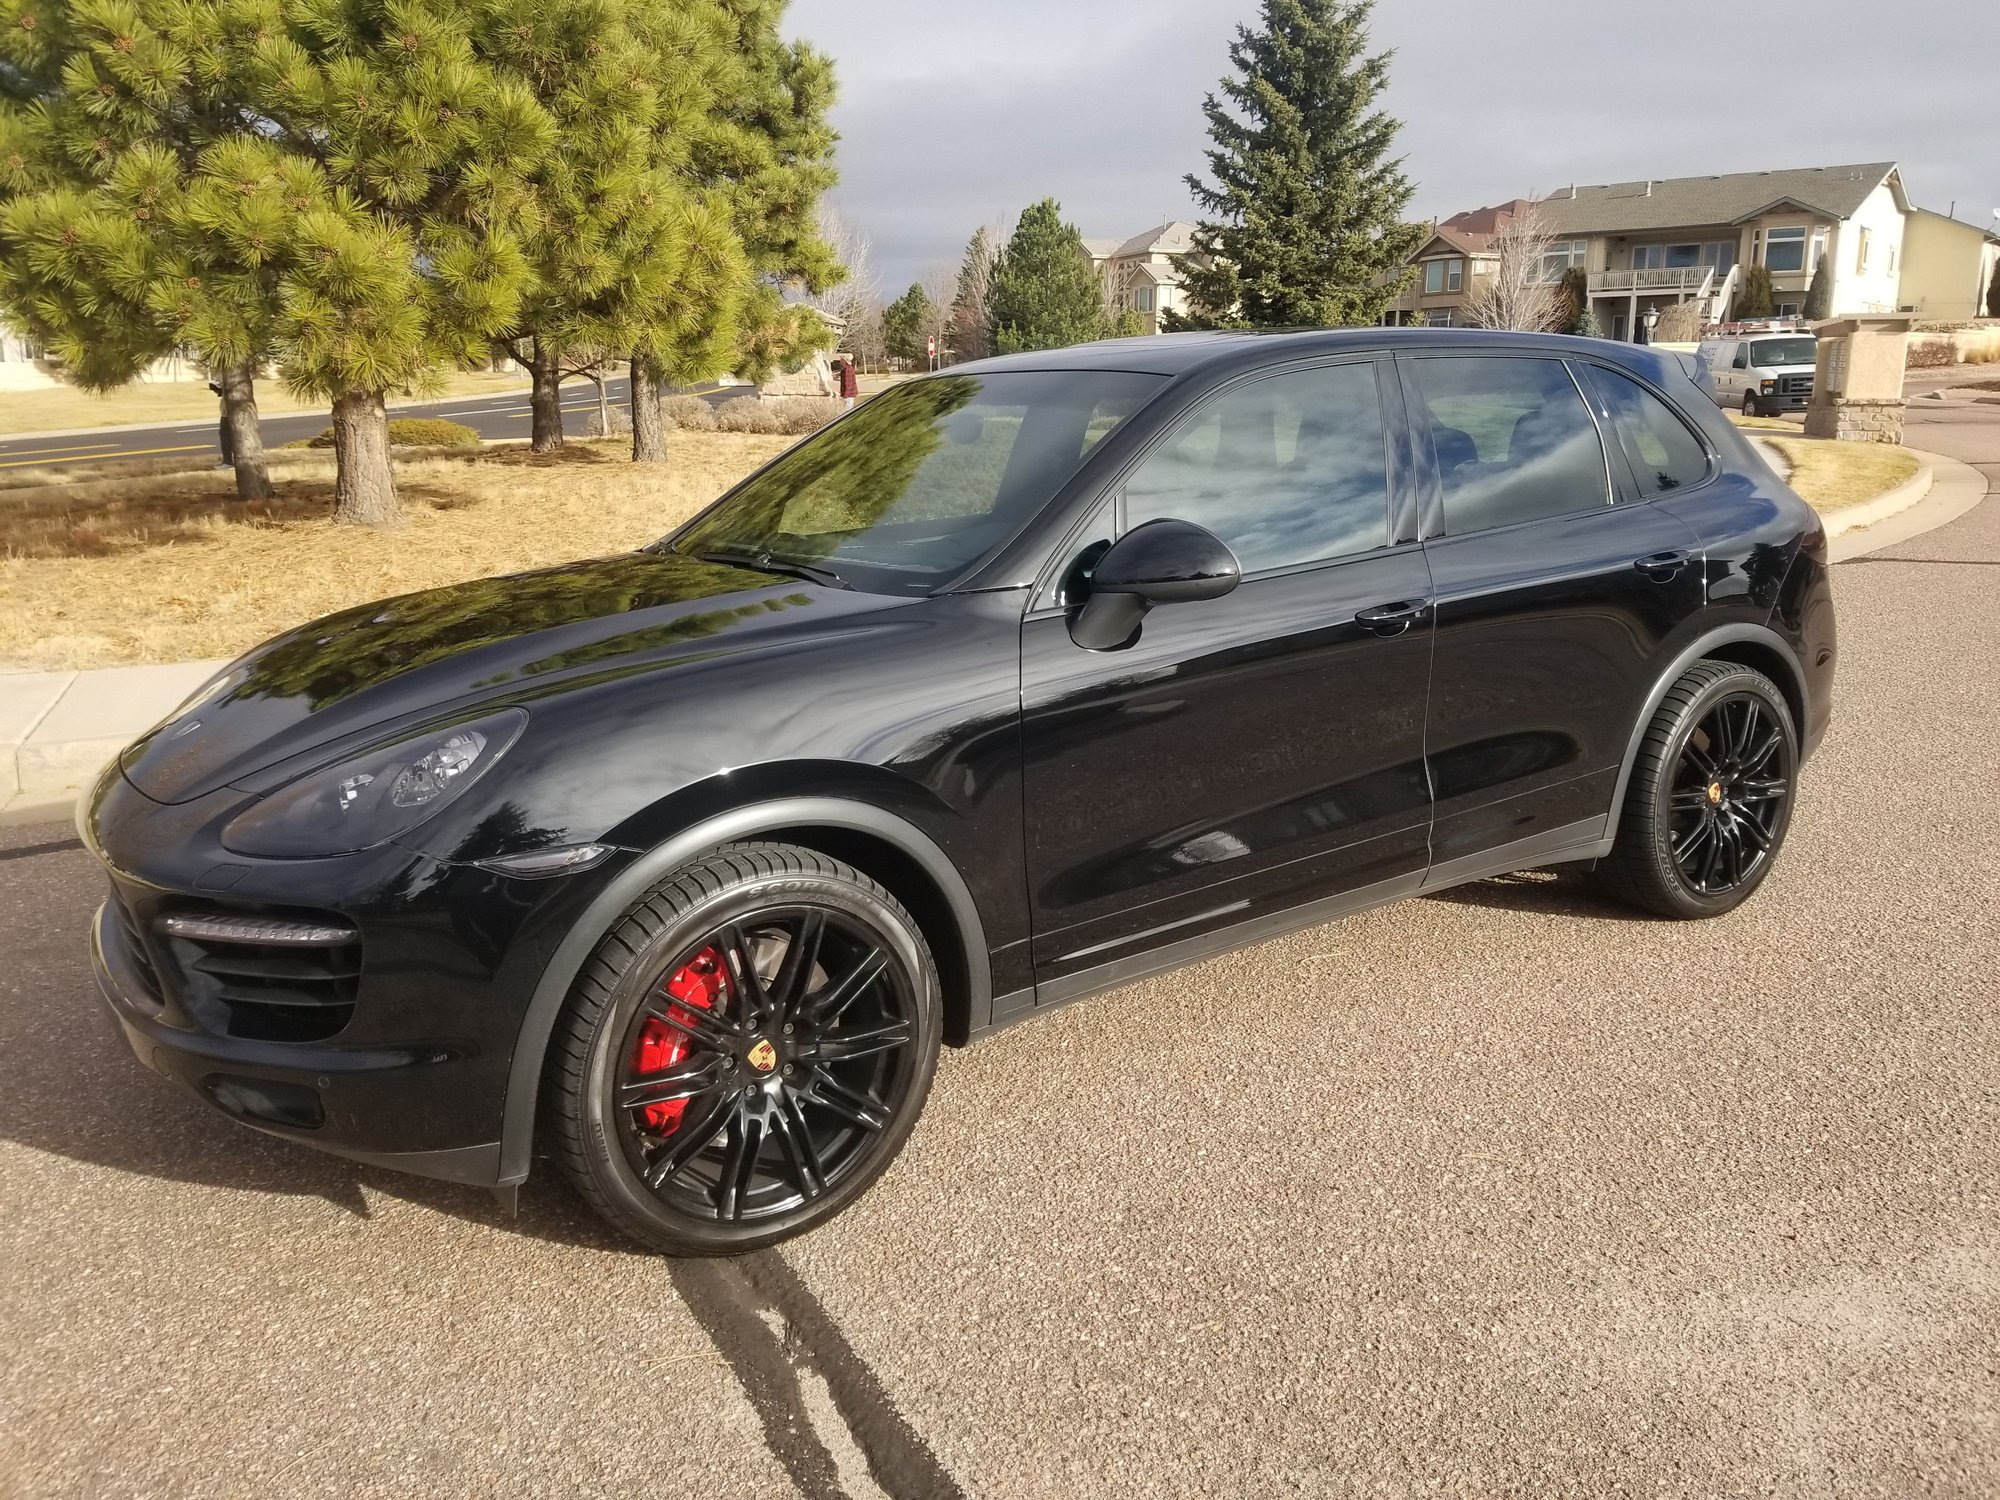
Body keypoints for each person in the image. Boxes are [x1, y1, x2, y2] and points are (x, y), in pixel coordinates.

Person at [207, 379, 234, 469]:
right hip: (225, 417)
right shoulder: (224, 398)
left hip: (228, 418)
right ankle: (228, 460)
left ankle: (229, 462)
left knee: (227, 440)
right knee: (225, 440)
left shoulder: (230, 398)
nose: (216, 391)